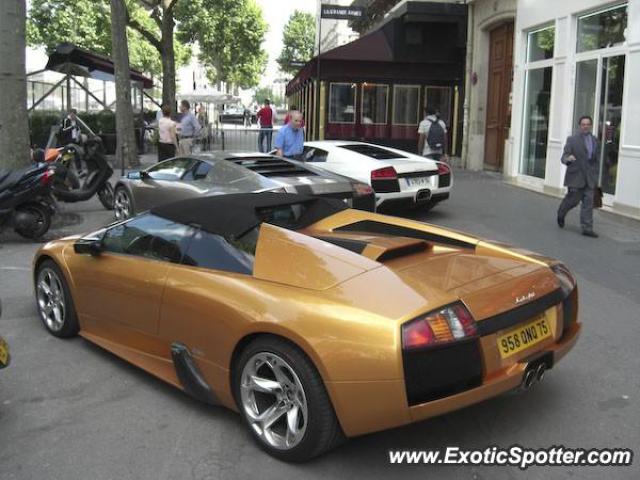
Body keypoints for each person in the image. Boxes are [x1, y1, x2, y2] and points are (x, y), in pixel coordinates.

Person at [557, 115, 600, 238]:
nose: (585, 126)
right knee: (572, 201)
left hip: (589, 178)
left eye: (588, 124)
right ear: (580, 126)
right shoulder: (572, 140)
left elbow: (596, 160)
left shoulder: (595, 140)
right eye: (583, 124)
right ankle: (561, 212)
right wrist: (568, 159)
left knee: (588, 204)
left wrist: (595, 175)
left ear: (590, 126)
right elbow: (564, 156)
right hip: (576, 177)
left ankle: (587, 228)